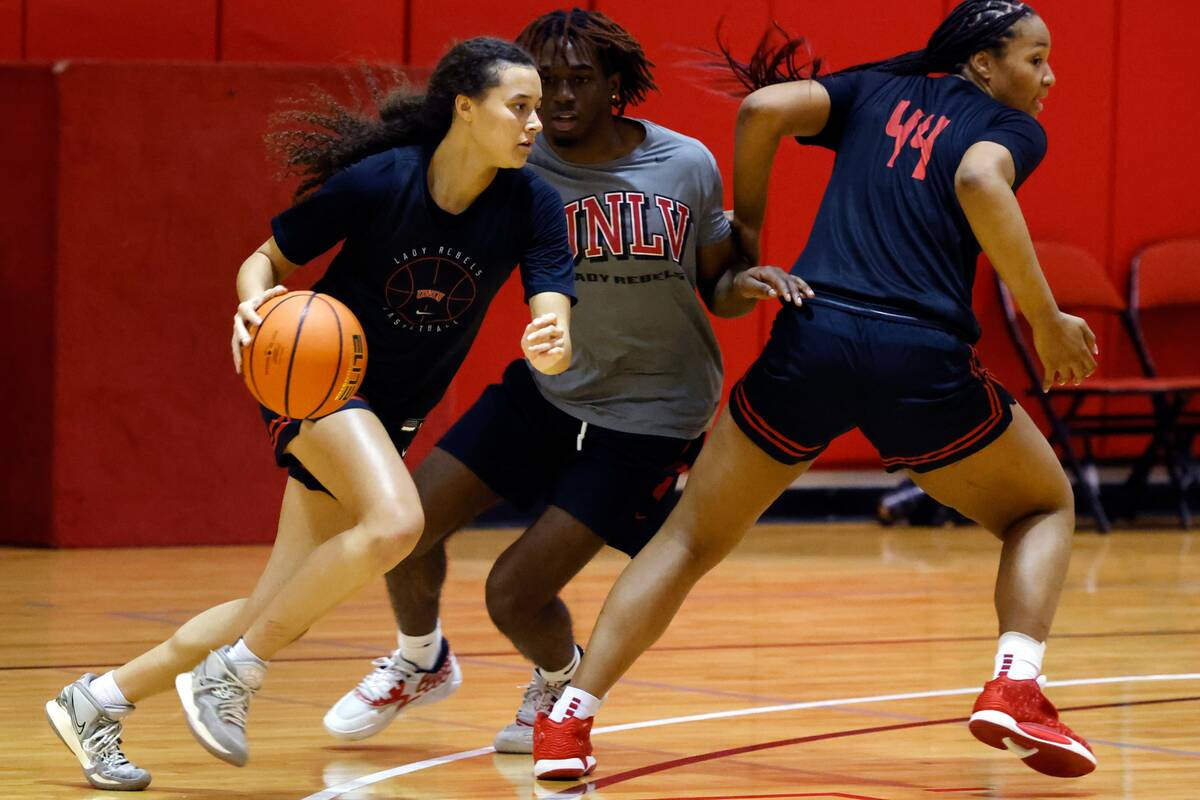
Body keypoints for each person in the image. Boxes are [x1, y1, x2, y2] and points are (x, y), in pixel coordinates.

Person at [533, 0, 1101, 782]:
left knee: (690, 537)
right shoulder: (1008, 130)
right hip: (918, 359)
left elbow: (764, 109)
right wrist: (1044, 319)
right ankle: (1017, 684)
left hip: (812, 335)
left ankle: (568, 721)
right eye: (1034, 59)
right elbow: (977, 178)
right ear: (983, 63)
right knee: (1044, 507)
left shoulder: (876, 89)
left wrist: (752, 240)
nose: (1048, 76)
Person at [44, 37, 576, 790]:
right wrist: (252, 304)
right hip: (317, 376)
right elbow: (265, 260)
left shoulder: (532, 203)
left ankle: (97, 701)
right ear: (466, 108)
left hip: (390, 412)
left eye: (537, 109)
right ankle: (236, 674)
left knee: (277, 600)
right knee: (397, 525)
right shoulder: (381, 182)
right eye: (518, 107)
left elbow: (550, 304)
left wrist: (552, 340)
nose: (535, 123)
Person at [322, 8, 807, 754]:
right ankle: (421, 659)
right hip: (549, 389)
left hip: (649, 414)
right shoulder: (516, 160)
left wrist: (753, 284)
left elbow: (718, 286)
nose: (561, 99)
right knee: (403, 531)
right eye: (545, 84)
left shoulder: (685, 164)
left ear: (618, 87)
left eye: (580, 81)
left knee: (512, 595)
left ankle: (558, 678)